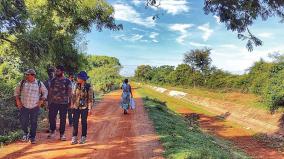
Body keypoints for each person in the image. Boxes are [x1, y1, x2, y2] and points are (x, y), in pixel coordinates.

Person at [14, 69, 48, 144]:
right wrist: (18, 101)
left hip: (35, 106)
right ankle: (25, 134)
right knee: (23, 121)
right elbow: (16, 92)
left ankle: (32, 137)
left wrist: (41, 100)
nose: (26, 76)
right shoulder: (22, 82)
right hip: (24, 106)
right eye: (26, 74)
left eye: (28, 74)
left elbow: (45, 92)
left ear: (33, 75)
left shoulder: (39, 83)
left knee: (34, 122)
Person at [47, 65, 72, 141]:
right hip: (53, 103)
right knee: (51, 117)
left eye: (58, 71)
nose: (56, 72)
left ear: (62, 72)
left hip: (63, 103)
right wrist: (49, 102)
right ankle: (53, 130)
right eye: (56, 71)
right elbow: (50, 91)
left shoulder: (68, 81)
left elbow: (69, 92)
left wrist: (70, 102)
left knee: (63, 119)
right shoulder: (53, 80)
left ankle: (62, 134)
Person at [71, 71, 94, 144]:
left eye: (78, 77)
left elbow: (90, 99)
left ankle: (83, 137)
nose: (77, 78)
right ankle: (74, 138)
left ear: (82, 79)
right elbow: (73, 95)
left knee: (84, 122)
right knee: (75, 122)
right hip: (76, 107)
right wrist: (72, 104)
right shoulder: (75, 85)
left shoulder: (88, 87)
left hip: (84, 107)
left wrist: (90, 108)